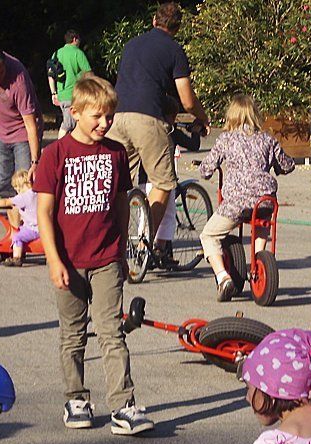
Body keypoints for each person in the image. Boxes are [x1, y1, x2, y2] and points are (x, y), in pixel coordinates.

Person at [33, 74, 154, 435]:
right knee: (73, 334)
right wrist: (54, 260)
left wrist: (123, 248)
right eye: (97, 117)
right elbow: (43, 212)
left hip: (106, 258)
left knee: (111, 333)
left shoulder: (116, 152)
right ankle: (76, 398)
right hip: (68, 260)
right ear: (76, 112)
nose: (105, 124)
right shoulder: (55, 155)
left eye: (109, 117)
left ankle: (123, 405)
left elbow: (121, 202)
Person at [108, 1, 210, 263]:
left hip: (117, 117)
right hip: (148, 118)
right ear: (177, 27)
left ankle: (114, 240)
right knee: (164, 183)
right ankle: (145, 243)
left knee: (121, 185)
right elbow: (186, 100)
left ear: (154, 20)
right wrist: (203, 116)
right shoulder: (175, 50)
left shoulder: (131, 44)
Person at [197, 95, 295, 301]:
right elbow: (287, 165)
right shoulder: (268, 139)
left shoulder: (226, 139)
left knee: (209, 235)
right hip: (265, 199)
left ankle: (223, 278)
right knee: (261, 220)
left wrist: (206, 170)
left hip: (237, 201)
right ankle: (259, 262)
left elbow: (206, 169)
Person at [0, 44, 43, 198]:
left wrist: (35, 162)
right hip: (0, 132)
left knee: (25, 184)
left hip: (23, 134)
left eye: (0, 73)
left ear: (4, 63)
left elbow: (31, 126)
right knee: (4, 186)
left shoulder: (19, 82)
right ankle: (13, 220)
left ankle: (28, 220)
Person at [0, 169, 38, 267]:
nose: (16, 191)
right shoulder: (36, 193)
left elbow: (6, 202)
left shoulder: (24, 197)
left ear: (19, 186)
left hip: (34, 228)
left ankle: (17, 257)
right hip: (41, 226)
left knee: (17, 236)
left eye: (16, 188)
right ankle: (17, 249)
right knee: (19, 228)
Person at [47, 29, 92, 139]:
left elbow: (51, 75)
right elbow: (89, 74)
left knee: (74, 126)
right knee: (68, 124)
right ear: (75, 39)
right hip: (75, 95)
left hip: (62, 95)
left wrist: (54, 93)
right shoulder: (78, 53)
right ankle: (59, 149)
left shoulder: (56, 54)